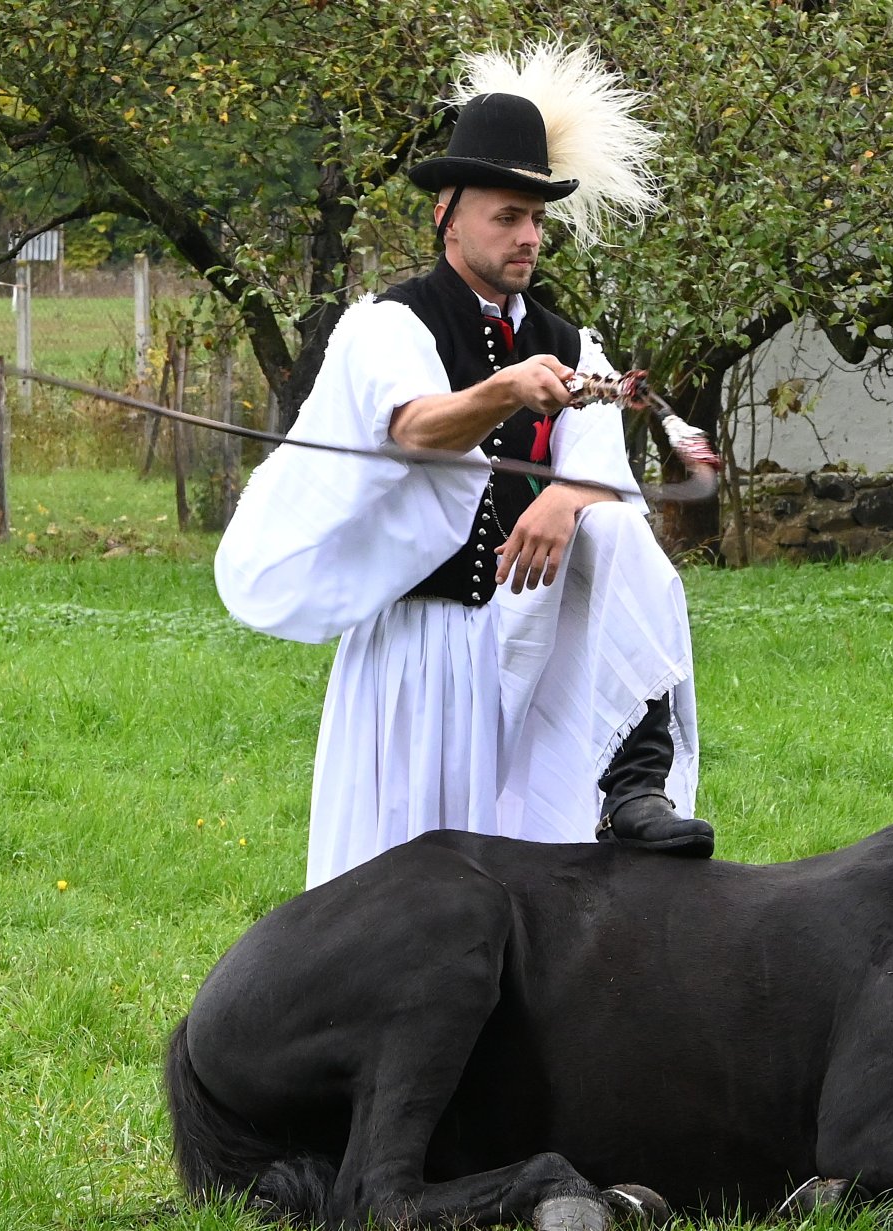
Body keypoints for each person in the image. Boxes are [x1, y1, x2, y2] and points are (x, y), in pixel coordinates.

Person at [215, 44, 712, 888]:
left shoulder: (566, 341)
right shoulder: (385, 326)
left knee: (528, 882)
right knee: (404, 884)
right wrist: (507, 390)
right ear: (447, 213)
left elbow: (601, 472)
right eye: (507, 217)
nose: (528, 238)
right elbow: (415, 429)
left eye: (537, 220)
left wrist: (570, 501)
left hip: (522, 638)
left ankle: (636, 783)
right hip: (421, 646)